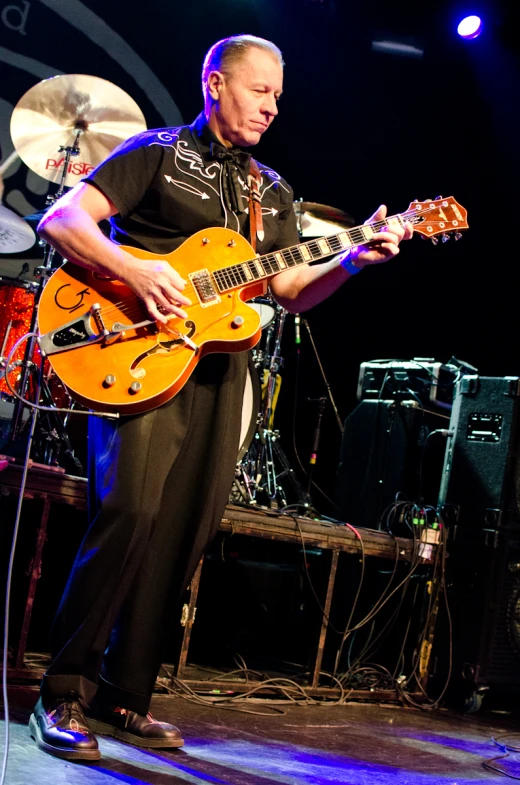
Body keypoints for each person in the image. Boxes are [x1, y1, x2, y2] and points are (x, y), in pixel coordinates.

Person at [29, 34, 412, 762]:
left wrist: (356, 259)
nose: (273, 105)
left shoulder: (274, 192)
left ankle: (123, 695)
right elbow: (63, 220)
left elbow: (293, 293)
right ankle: (62, 691)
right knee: (130, 512)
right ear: (215, 83)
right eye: (260, 89)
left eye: (278, 94)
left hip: (217, 369)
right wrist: (136, 272)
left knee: (185, 526)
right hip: (134, 356)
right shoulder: (159, 152)